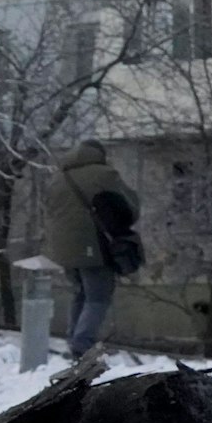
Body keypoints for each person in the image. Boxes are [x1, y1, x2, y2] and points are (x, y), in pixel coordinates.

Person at [44, 139, 141, 359]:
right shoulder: (104, 175)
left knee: (80, 293)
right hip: (95, 245)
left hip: (63, 250)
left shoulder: (57, 180)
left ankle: (74, 339)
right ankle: (82, 342)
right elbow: (130, 207)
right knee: (98, 296)